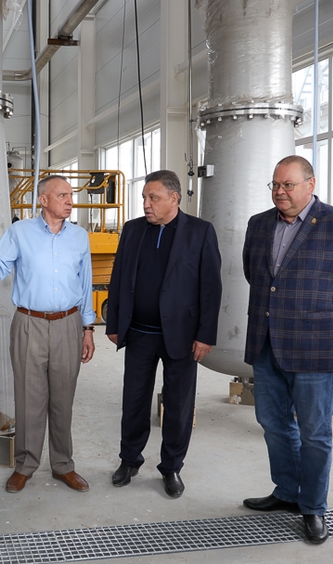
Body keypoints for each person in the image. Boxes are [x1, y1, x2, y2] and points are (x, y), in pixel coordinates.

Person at [241, 155, 333, 544]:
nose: (280, 192)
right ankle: (286, 492)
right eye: (275, 185)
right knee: (273, 424)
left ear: (310, 185)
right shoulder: (259, 224)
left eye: (288, 185)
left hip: (317, 349)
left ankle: (312, 507)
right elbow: (255, 276)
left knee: (314, 433)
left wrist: (320, 319)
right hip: (267, 344)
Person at [0, 175, 96, 493]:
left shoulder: (79, 237)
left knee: (63, 400)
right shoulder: (20, 232)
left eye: (70, 195)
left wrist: (88, 328)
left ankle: (63, 465)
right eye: (62, 195)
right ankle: (25, 465)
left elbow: (85, 285)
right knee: (29, 399)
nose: (70, 200)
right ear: (43, 200)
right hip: (29, 324)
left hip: (68, 323)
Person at [105, 170, 222, 498]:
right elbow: (118, 278)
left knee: (178, 405)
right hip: (139, 334)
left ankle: (171, 467)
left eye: (153, 198)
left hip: (182, 337)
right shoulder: (133, 230)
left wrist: (205, 335)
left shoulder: (200, 232)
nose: (146, 204)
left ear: (174, 198)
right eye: (144, 197)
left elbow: (211, 287)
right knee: (134, 401)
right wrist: (114, 324)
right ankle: (129, 460)